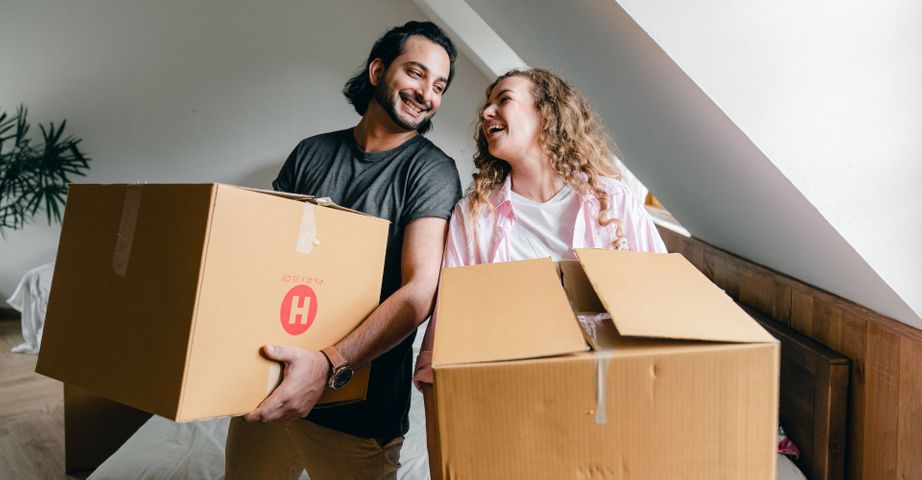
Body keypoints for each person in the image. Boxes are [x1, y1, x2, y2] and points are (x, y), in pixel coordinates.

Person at [224, 21, 462, 480]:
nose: (426, 94)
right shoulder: (311, 153)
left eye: (438, 86)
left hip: (359, 413)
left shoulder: (431, 171)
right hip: (269, 386)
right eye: (415, 73)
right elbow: (265, 261)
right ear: (378, 70)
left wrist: (329, 363)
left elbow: (420, 292)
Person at [414, 67, 667, 385]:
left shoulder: (613, 201)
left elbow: (665, 299)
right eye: (486, 106)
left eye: (503, 99)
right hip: (511, 388)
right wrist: (431, 375)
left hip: (610, 385)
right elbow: (450, 323)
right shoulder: (474, 216)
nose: (486, 111)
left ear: (546, 114)